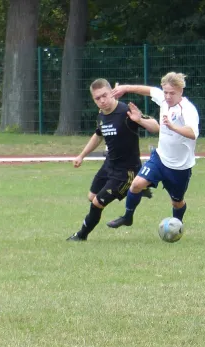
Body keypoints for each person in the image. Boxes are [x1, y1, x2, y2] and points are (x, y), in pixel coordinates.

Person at [67, 78, 159, 241]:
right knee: (91, 196)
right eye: (97, 98)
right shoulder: (102, 115)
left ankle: (81, 235)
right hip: (109, 164)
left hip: (126, 170)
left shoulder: (125, 112)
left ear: (112, 93)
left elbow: (156, 127)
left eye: (104, 95)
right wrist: (81, 155)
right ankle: (137, 188)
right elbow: (98, 135)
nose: (102, 101)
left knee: (97, 203)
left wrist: (140, 120)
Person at [107, 71, 199, 229]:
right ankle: (127, 217)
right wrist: (125, 88)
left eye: (172, 93)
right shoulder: (163, 99)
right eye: (166, 92)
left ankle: (177, 226)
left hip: (180, 167)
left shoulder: (188, 110)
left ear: (181, 91)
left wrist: (173, 127)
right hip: (160, 158)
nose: (168, 96)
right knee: (136, 184)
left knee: (177, 202)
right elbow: (148, 90)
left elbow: (192, 134)